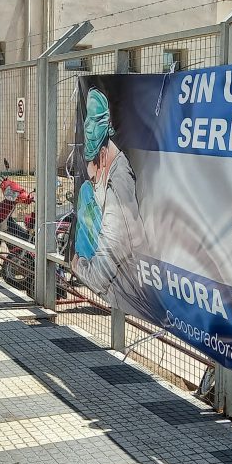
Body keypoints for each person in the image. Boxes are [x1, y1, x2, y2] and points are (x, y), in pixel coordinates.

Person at [72, 88, 147, 305]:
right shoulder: (113, 173)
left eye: (95, 178)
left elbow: (99, 276)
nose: (93, 185)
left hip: (134, 289)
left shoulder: (118, 184)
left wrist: (77, 265)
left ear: (103, 158)